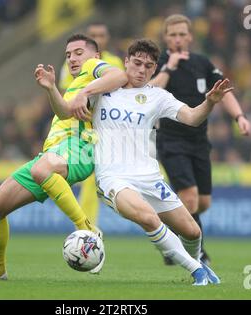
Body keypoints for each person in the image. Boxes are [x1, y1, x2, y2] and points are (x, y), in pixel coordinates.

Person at [37, 39, 228, 285]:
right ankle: (198, 271)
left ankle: (192, 268)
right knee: (149, 218)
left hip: (149, 177)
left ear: (154, 69)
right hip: (113, 178)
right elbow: (65, 111)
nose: (142, 70)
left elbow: (192, 117)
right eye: (137, 63)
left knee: (192, 232)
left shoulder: (158, 96)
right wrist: (52, 88)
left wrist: (210, 102)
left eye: (148, 66)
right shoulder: (102, 90)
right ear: (126, 62)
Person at [0, 34, 128, 280]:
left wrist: (85, 93)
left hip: (80, 148)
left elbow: (120, 76)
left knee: (41, 170)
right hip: (52, 154)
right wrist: (51, 89)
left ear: (95, 56)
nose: (72, 58)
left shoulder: (93, 70)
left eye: (79, 52)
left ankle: (88, 229)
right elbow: (64, 111)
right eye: (68, 54)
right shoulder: (75, 84)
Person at [149, 14, 251, 265]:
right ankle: (197, 255)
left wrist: (239, 116)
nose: (178, 39)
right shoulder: (159, 61)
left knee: (202, 202)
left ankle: (172, 232)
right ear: (165, 38)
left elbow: (222, 91)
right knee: (191, 197)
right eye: (172, 35)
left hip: (198, 141)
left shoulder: (202, 62)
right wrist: (169, 67)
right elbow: (149, 92)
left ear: (190, 36)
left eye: (182, 34)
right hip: (171, 140)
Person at [59, 22, 125, 227]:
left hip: (112, 130)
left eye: (102, 34)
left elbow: (121, 88)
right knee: (89, 184)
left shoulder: (115, 62)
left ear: (107, 39)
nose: (99, 37)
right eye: (94, 34)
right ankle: (86, 230)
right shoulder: (70, 65)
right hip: (87, 130)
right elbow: (67, 96)